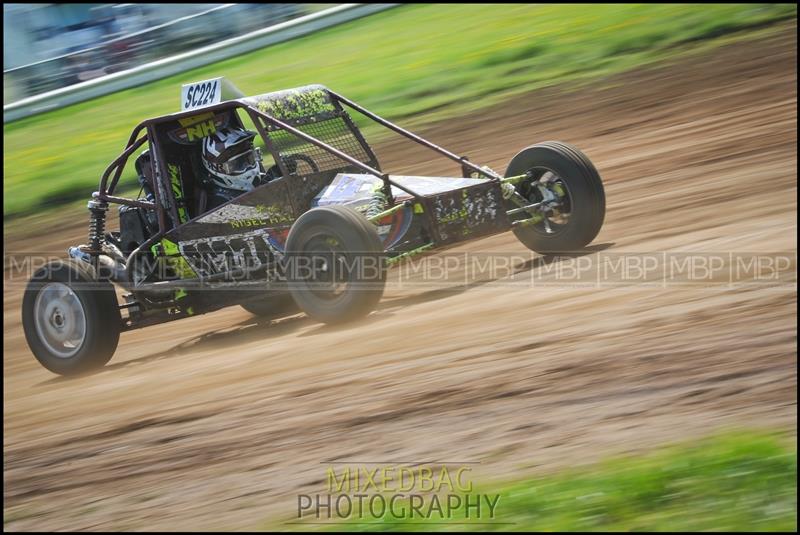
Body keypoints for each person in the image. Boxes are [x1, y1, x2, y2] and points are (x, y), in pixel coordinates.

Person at [200, 127, 271, 209]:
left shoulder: (265, 181)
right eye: (237, 164)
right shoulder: (220, 205)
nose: (247, 168)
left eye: (250, 159)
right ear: (217, 169)